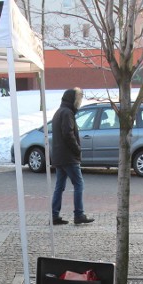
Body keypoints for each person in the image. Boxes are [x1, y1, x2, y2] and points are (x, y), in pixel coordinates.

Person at [51, 87, 94, 226]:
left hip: (59, 156)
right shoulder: (67, 113)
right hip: (68, 156)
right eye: (79, 99)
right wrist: (77, 150)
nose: (80, 102)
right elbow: (68, 134)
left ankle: (54, 215)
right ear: (73, 99)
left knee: (60, 186)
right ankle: (79, 214)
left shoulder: (60, 111)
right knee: (78, 184)